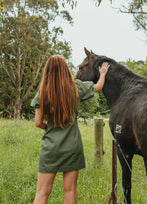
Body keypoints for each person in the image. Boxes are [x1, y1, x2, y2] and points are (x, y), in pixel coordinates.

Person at [31, 55, 110, 204]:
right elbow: (98, 87)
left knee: (42, 192)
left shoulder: (42, 92)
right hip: (72, 147)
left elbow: (37, 123)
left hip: (50, 148)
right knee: (70, 190)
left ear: (47, 71)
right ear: (66, 69)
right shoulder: (76, 86)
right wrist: (103, 74)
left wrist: (50, 128)